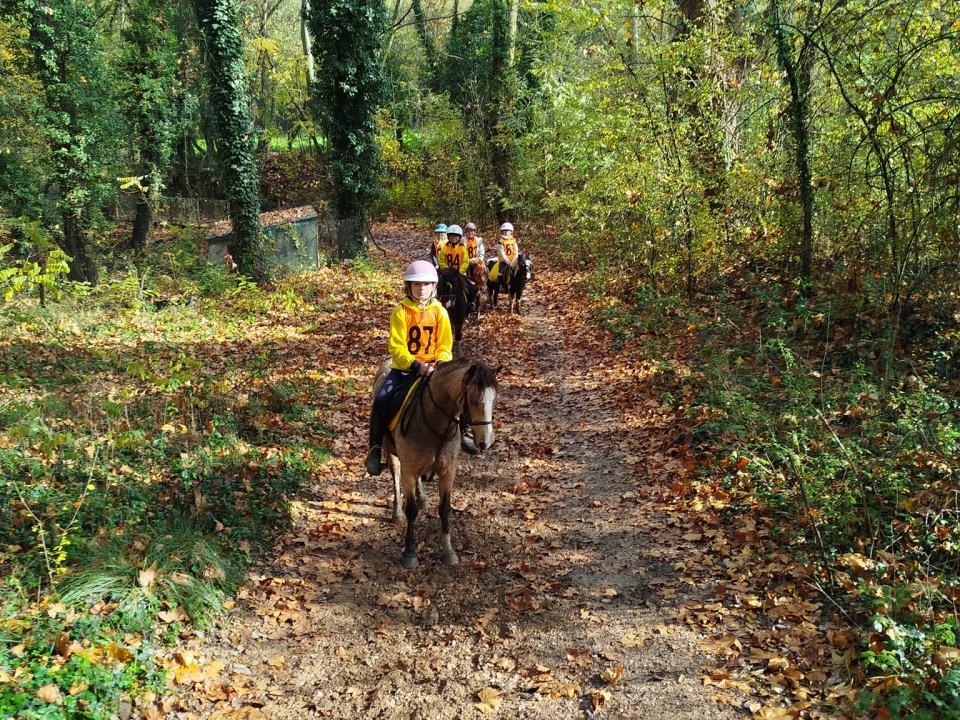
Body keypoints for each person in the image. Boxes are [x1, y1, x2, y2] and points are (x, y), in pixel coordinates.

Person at [366, 260, 454, 476]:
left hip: (434, 369)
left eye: (426, 284)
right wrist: (416, 365)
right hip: (406, 368)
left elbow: (445, 345)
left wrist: (440, 363)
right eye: (416, 285)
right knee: (381, 400)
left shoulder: (440, 312)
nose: (421, 288)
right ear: (409, 286)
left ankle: (466, 433)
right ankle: (375, 448)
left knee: (457, 397)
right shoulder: (400, 311)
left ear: (433, 286)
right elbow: (396, 346)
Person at [438, 225, 477, 314]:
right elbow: (441, 260)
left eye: (456, 236)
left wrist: (459, 270)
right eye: (452, 236)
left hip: (460, 273)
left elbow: (466, 261)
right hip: (447, 274)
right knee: (439, 287)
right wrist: (447, 270)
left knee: (469, 288)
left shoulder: (462, 248)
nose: (454, 238)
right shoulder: (445, 248)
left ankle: (471, 304)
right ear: (448, 237)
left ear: (459, 237)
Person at [491, 221, 519, 287]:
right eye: (504, 231)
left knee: (520, 269)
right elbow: (501, 252)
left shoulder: (513, 240)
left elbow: (516, 250)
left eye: (508, 231)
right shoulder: (500, 242)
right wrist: (507, 261)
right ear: (502, 231)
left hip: (513, 260)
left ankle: (520, 285)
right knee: (501, 271)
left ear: (511, 231)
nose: (506, 232)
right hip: (504, 261)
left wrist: (515, 259)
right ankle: (501, 285)